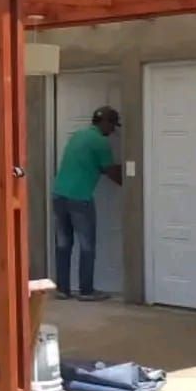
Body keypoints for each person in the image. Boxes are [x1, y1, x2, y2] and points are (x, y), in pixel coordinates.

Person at [52, 105, 122, 301]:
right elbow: (112, 172)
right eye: (112, 126)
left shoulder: (78, 135)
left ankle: (62, 289)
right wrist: (135, 183)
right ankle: (86, 291)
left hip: (58, 194)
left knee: (63, 244)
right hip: (79, 198)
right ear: (105, 123)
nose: (112, 132)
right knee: (86, 245)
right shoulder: (100, 142)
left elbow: (86, 163)